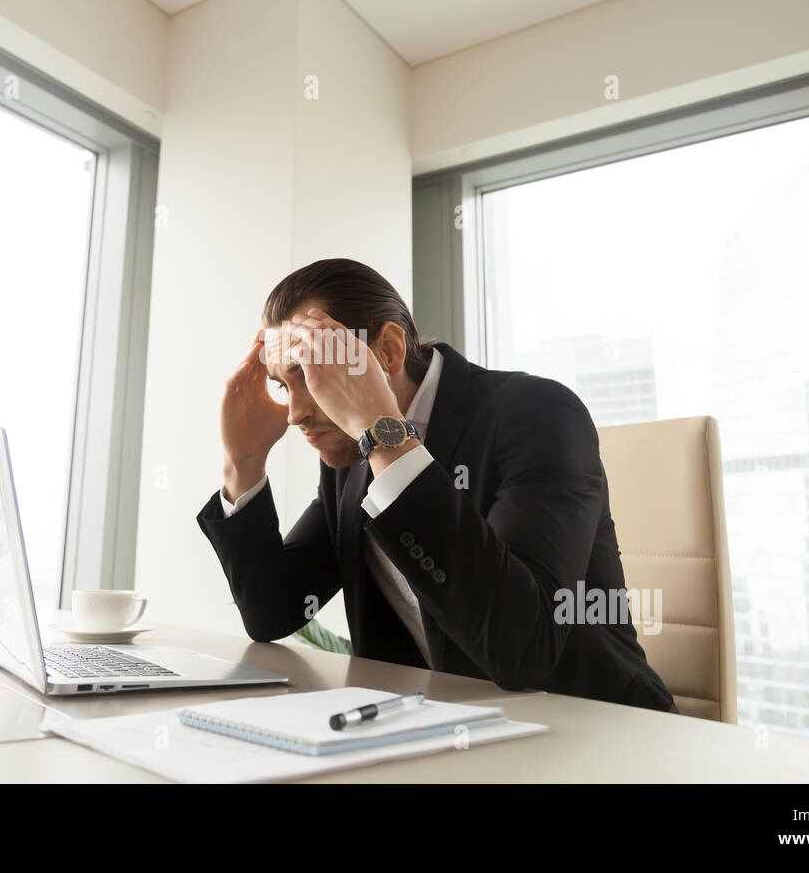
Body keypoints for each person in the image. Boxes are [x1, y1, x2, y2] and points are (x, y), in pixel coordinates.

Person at [196, 258, 678, 712]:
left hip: (594, 728)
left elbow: (523, 649)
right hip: (442, 733)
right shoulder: (348, 455)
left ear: (387, 351)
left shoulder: (537, 414)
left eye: (312, 374)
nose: (296, 411)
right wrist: (244, 465)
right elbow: (272, 611)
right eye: (284, 384)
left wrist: (384, 435)